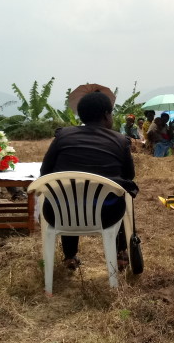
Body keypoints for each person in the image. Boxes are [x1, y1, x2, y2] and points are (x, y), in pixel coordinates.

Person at [40, 92, 137, 271]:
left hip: (57, 214)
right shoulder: (120, 141)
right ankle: (120, 252)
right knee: (115, 196)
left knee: (68, 197)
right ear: (106, 115)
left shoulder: (62, 136)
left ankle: (69, 256)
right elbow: (128, 177)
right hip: (105, 215)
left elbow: (45, 172)